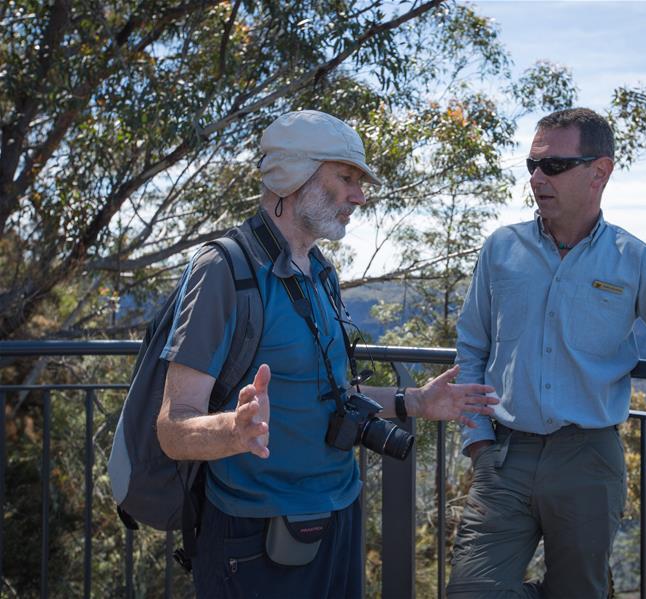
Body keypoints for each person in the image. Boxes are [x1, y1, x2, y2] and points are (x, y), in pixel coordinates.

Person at [155, 109, 497, 598]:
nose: (359, 196)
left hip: (339, 513)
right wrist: (232, 431)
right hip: (255, 532)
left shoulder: (320, 271)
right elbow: (173, 428)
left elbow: (332, 395)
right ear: (291, 176)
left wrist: (416, 402)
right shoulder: (224, 271)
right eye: (346, 177)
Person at [447, 107, 646, 598]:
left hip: (588, 458)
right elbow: (471, 348)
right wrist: (479, 443)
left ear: (600, 172)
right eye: (531, 165)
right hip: (505, 455)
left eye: (552, 166)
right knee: (470, 591)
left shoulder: (631, 257)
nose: (536, 178)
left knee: (579, 591)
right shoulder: (500, 249)